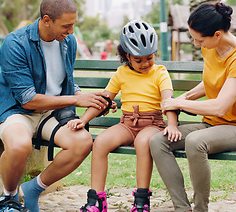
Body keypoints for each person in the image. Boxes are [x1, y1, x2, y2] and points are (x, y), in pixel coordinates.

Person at [0, 0, 111, 212]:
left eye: (73, 25)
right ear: (46, 20)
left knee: (82, 142)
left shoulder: (67, 42)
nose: (71, 31)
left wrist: (94, 100)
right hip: (17, 111)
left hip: (51, 112)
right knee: (19, 145)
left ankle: (33, 189)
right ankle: (10, 199)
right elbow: (27, 100)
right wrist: (77, 99)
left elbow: (65, 82)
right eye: (66, 25)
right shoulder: (15, 43)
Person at [149, 2, 236, 212]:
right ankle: (182, 208)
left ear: (217, 34)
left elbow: (220, 107)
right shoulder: (211, 47)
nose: (196, 43)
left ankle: (201, 209)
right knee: (158, 141)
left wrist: (180, 103)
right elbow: (212, 82)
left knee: (195, 141)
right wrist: (184, 97)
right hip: (212, 124)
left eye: (199, 39)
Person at [67, 20, 181, 212]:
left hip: (152, 124)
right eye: (138, 60)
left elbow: (168, 101)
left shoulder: (160, 72)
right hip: (127, 123)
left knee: (143, 142)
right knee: (101, 142)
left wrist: (172, 124)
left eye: (150, 58)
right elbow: (104, 100)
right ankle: (96, 200)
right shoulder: (121, 73)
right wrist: (83, 120)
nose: (145, 64)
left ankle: (141, 200)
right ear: (127, 55)